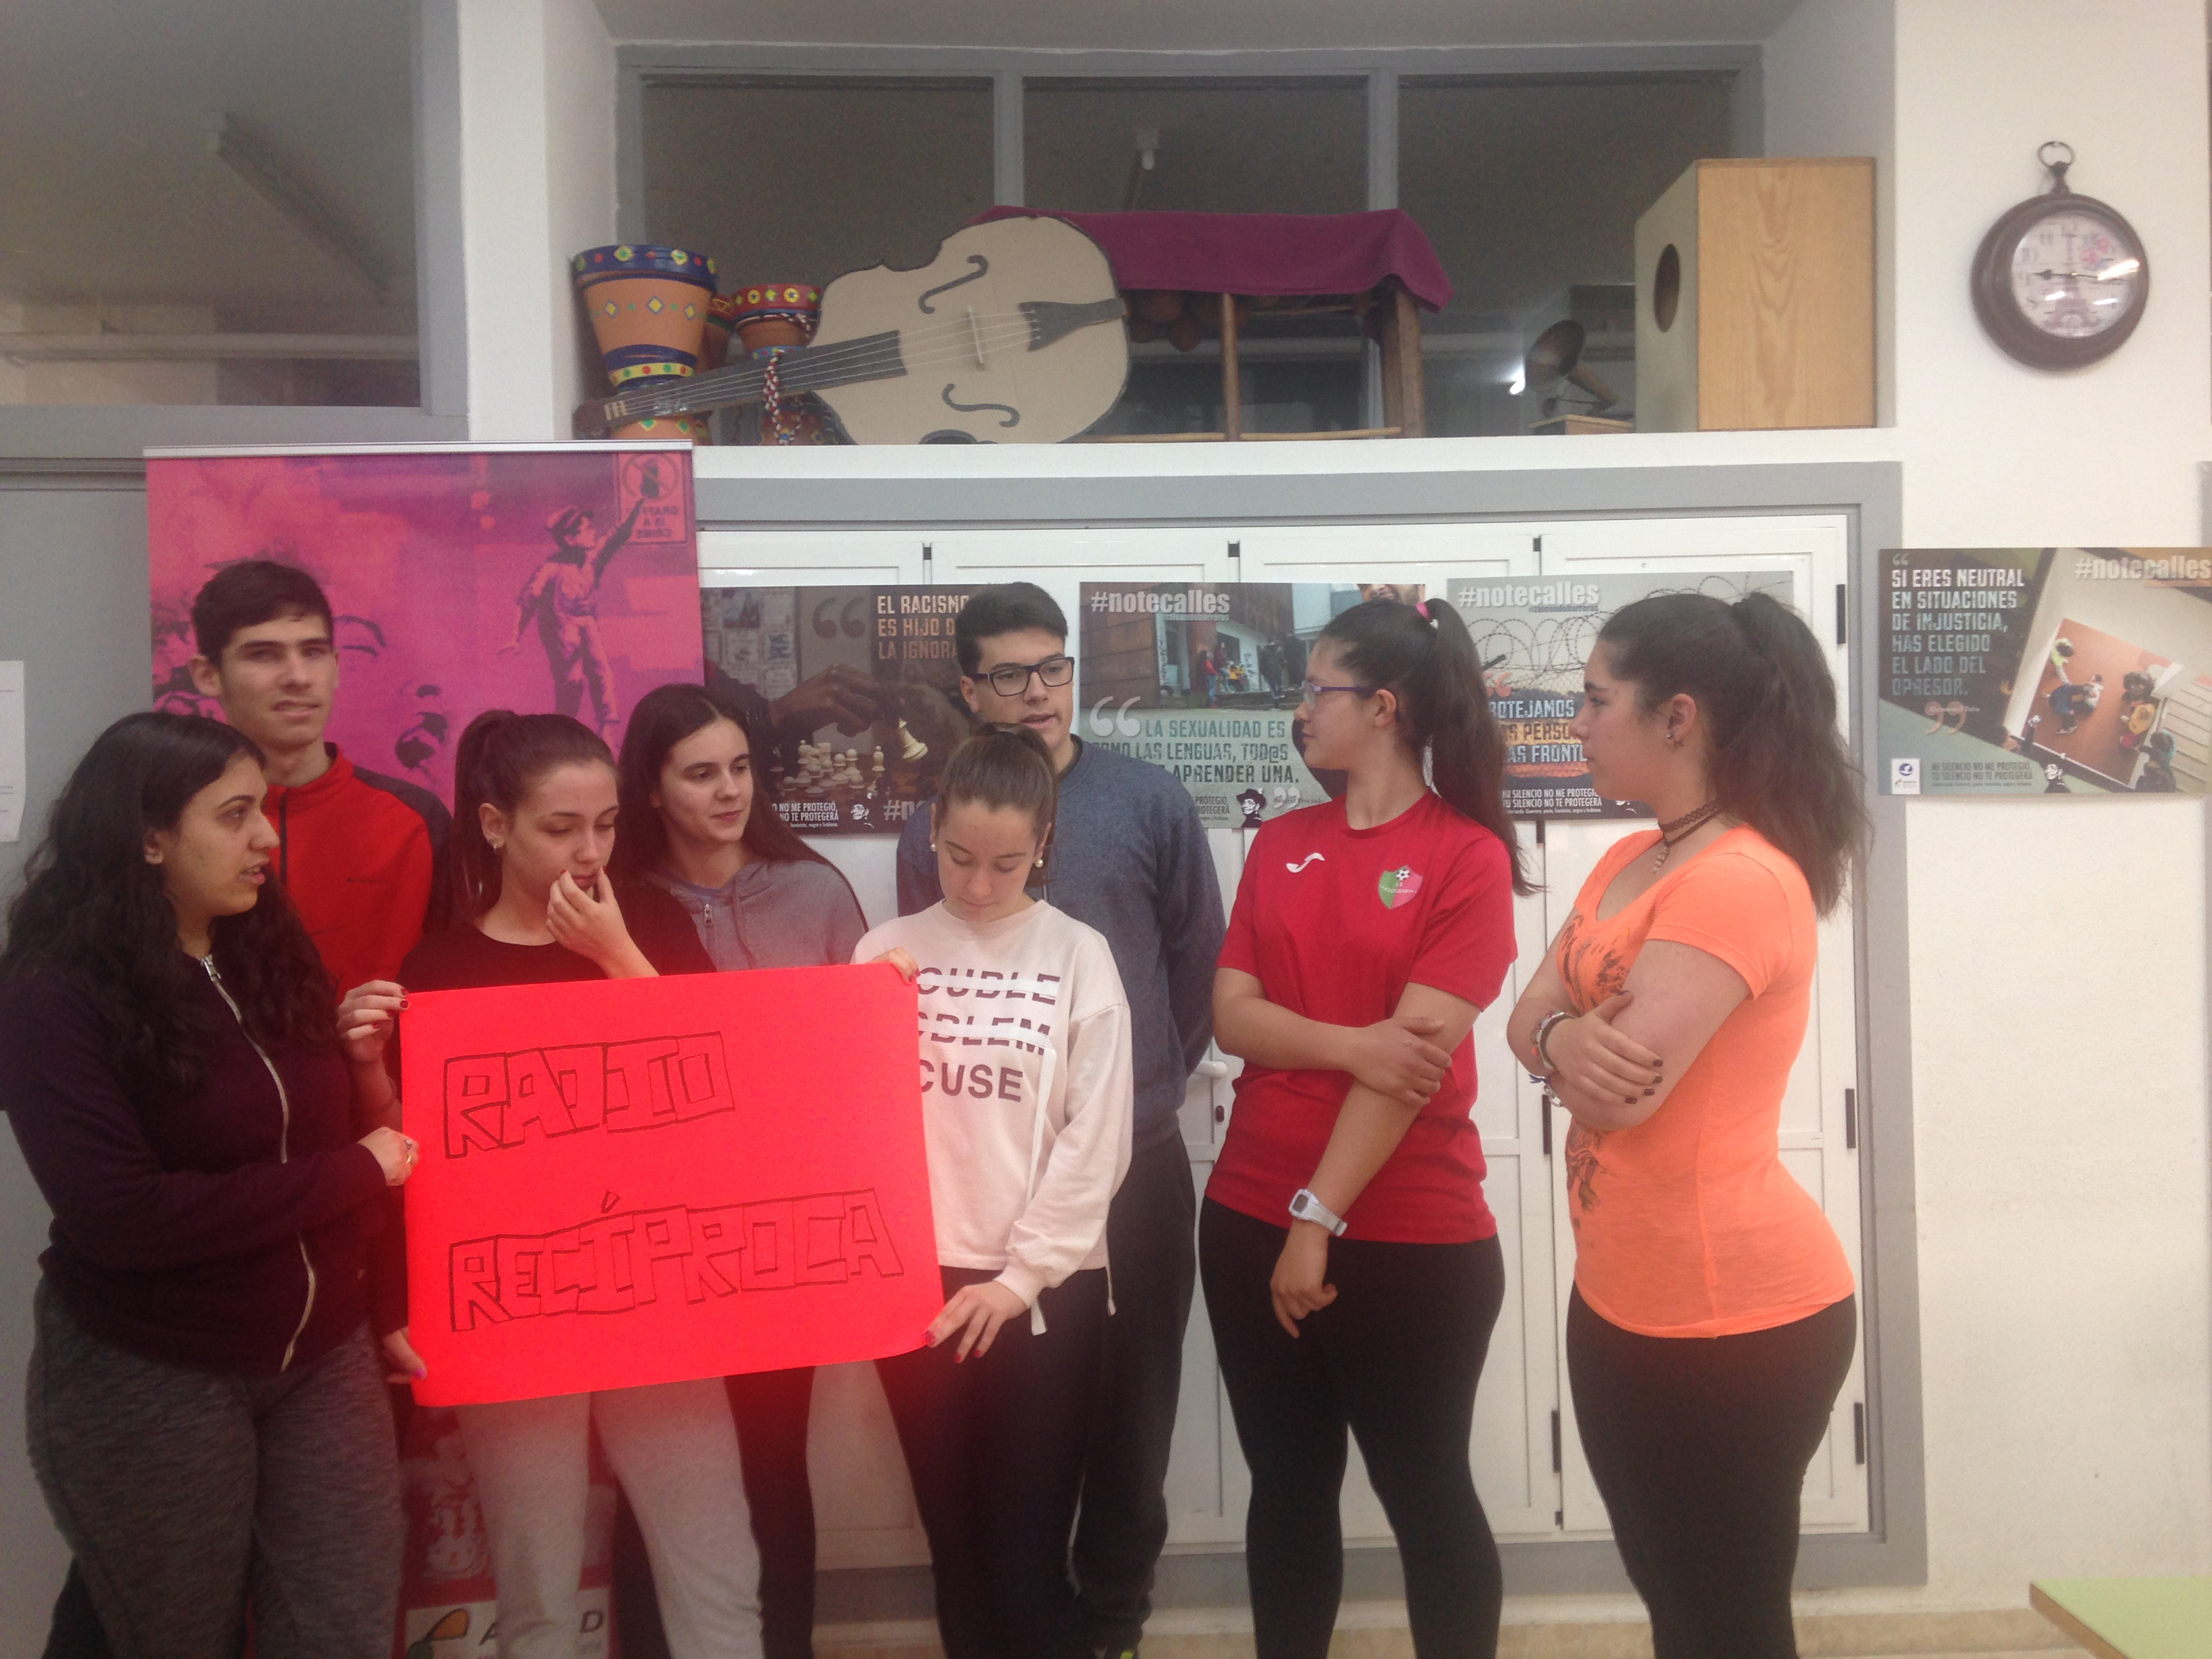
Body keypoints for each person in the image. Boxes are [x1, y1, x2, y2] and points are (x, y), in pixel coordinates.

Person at [0, 712, 421, 1659]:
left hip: (324, 1355)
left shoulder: (264, 943)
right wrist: (354, 1172)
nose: (267, 837)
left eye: (263, 810)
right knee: (177, 1636)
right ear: (149, 838)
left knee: (344, 1631)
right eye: (234, 816)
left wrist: (359, 1079)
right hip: (156, 1370)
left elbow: (322, 1138)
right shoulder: (51, 994)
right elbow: (123, 1218)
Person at [1505, 591, 1864, 1659]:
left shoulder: (1741, 879)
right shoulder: (1630, 860)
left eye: (1594, 699)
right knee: (1676, 1607)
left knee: (1728, 1623)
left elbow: (1620, 1093)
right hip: (1621, 1295)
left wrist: (1557, 1041)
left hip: (1733, 1319)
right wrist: (1563, 1036)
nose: (1575, 721)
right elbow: (1523, 1020)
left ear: (1678, 717)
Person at [895, 582, 1225, 1659]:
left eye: (1054, 667)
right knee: (1007, 1453)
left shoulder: (1147, 799)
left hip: (1137, 1159)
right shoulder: (935, 821)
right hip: (984, 1183)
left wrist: (1135, 1091)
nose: (1038, 692)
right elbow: (931, 980)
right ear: (969, 688)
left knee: (1132, 1413)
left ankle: (1113, 1623)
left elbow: (1196, 965)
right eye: (1010, 674)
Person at [1202, 597, 1528, 1659]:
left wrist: (1316, 1219)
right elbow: (1231, 1015)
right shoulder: (1280, 843)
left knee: (1425, 1489)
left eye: (1317, 690)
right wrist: (1352, 1044)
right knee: (1287, 1487)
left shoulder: (1466, 857)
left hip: (1408, 1234)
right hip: (1246, 1212)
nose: (1300, 710)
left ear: (1383, 708)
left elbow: (1411, 1072)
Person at [399, 710, 763, 1659]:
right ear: (495, 826)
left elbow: (717, 1081)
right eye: (561, 829)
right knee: (537, 1592)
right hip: (516, 1310)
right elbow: (424, 1164)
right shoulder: (442, 967)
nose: (590, 851)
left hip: (658, 1289)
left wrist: (615, 955)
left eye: (604, 825)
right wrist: (367, 1065)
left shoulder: (650, 922)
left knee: (718, 1572)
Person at [863, 726, 1134, 1659]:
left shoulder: (1079, 955)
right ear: (933, 829)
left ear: (1044, 844)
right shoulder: (885, 951)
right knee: (957, 1553)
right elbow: (846, 1122)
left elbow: (1097, 1140)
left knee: (1026, 1563)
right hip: (918, 1289)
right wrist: (867, 1018)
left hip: (1043, 1294)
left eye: (1007, 864)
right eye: (959, 857)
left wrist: (1019, 1280)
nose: (979, 886)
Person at [613, 681, 869, 1659]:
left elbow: (861, 1068)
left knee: (771, 1460)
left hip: (782, 1235)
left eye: (740, 768)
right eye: (699, 774)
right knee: (657, 1478)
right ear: (650, 789)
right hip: (656, 1240)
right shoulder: (617, 907)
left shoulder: (815, 891)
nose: (728, 791)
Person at [186, 558, 451, 1004]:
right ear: (208, 675)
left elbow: (457, 987)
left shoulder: (417, 820)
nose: (298, 677)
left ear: (337, 666)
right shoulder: (173, 823)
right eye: (263, 654)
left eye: (313, 652)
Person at [503, 500, 647, 735]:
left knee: (602, 674)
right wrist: (515, 636)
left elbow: (617, 534)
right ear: (570, 539)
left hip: (587, 621)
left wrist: (640, 502)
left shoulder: (594, 558)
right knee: (572, 682)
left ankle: (606, 732)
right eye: (586, 530)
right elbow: (528, 600)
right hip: (561, 626)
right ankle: (563, 729)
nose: (593, 532)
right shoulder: (552, 567)